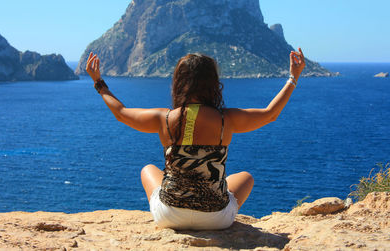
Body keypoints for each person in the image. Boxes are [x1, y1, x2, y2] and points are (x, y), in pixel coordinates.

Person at [85, 48, 305, 230]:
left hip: (169, 215)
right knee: (245, 177)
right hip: (216, 220)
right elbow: (270, 113)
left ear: (179, 82)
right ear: (213, 83)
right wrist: (293, 78)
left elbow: (121, 113)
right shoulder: (225, 119)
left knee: (147, 170)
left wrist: (99, 83)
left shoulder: (164, 118)